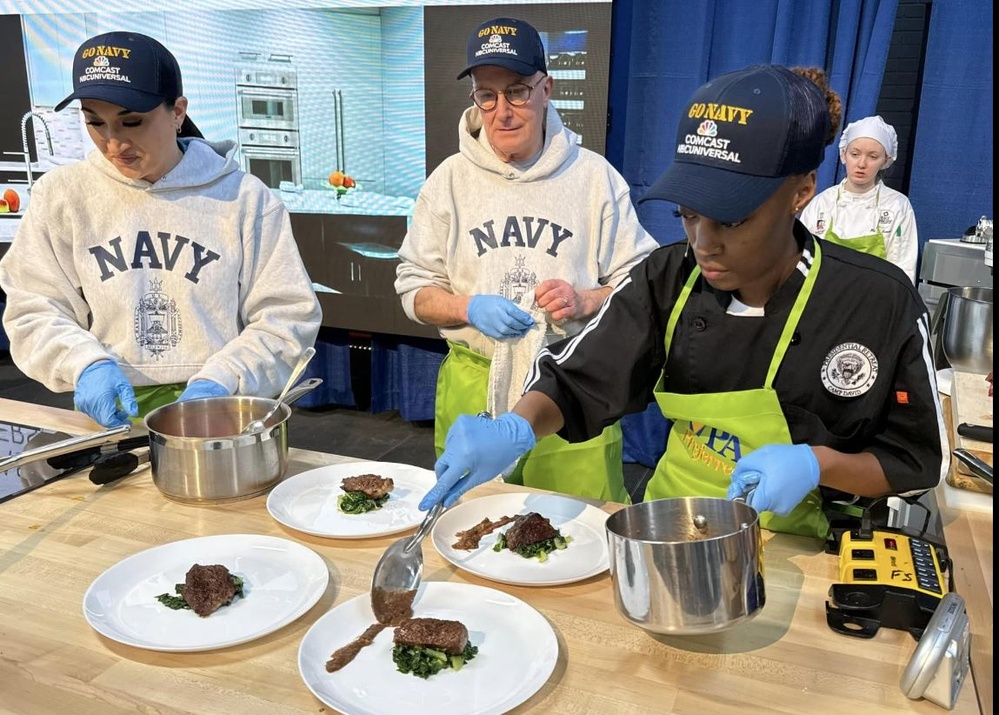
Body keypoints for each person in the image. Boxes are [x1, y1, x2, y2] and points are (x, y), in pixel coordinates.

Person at [420, 64, 947, 539]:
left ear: (802, 191)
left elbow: (915, 458)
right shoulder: (668, 277)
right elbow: (581, 377)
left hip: (807, 552)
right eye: (688, 215)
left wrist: (819, 464)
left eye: (733, 219)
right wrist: (517, 428)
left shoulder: (878, 303)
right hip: (673, 527)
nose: (704, 242)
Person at [394, 17, 658, 502]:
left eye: (517, 91)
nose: (502, 112)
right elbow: (414, 288)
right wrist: (466, 307)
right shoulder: (449, 181)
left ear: (546, 89)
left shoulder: (594, 178)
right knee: (471, 528)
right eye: (486, 95)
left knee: (578, 538)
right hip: (474, 387)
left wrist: (585, 299)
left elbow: (645, 287)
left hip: (571, 389)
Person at [0, 31, 321, 427]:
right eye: (95, 122)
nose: (114, 142)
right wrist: (85, 365)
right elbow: (34, 307)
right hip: (109, 409)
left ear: (177, 112)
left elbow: (287, 316)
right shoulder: (62, 196)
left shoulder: (243, 198)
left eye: (132, 121)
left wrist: (221, 382)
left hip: (222, 408)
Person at [800, 115, 919, 282]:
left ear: (886, 160)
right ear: (843, 154)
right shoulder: (822, 203)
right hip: (823, 299)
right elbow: (802, 260)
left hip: (874, 301)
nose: (862, 164)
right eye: (855, 154)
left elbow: (903, 270)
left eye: (873, 157)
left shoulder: (897, 206)